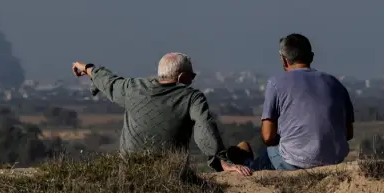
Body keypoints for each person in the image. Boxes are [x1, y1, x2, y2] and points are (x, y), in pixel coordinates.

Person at [71, 53, 252, 176]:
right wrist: (222, 161)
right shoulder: (191, 97)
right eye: (192, 75)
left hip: (128, 176)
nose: (194, 79)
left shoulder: (132, 88)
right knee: (244, 155)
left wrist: (85, 67)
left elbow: (107, 81)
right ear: (181, 77)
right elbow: (205, 129)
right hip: (170, 176)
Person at [234, 33, 354, 171]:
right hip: (333, 161)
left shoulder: (276, 83)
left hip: (293, 162)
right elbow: (348, 134)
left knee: (259, 163)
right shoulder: (336, 84)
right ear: (312, 57)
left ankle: (245, 162)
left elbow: (267, 137)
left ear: (283, 60)